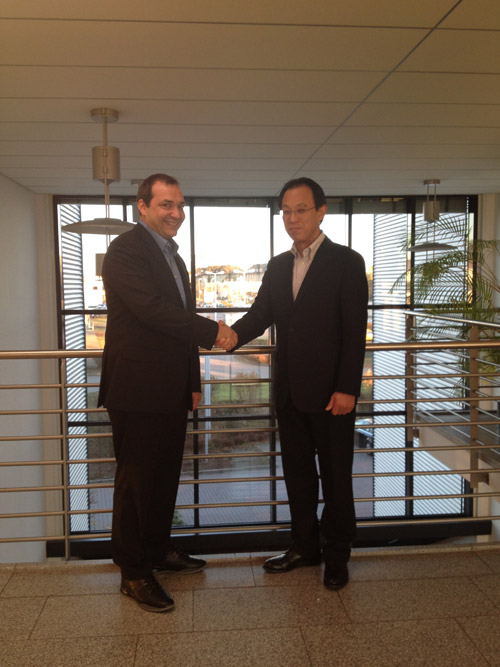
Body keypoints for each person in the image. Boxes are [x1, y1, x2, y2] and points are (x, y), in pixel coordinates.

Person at [97, 173, 236, 612]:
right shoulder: (125, 251)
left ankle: (157, 549)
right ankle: (133, 573)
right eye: (165, 205)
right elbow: (152, 311)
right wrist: (213, 331)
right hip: (136, 390)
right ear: (142, 207)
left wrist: (193, 382)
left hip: (172, 389)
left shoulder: (172, 255)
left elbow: (178, 321)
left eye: (179, 205)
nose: (176, 213)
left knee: (164, 478)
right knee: (136, 483)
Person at [231, 177, 368, 590]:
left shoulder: (347, 262)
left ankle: (337, 555)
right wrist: (226, 336)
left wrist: (348, 388)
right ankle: (305, 547)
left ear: (321, 211)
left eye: (301, 210)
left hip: (332, 395)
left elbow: (354, 331)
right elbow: (260, 315)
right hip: (289, 393)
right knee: (298, 477)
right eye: (286, 212)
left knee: (336, 478)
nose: (292, 218)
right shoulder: (277, 265)